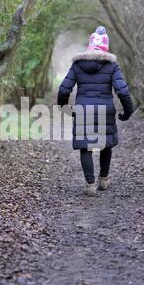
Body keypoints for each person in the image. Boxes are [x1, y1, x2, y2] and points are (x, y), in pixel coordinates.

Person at [57, 26, 134, 196]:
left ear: (90, 46)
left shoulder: (77, 65)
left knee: (86, 147)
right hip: (105, 110)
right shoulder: (111, 65)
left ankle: (90, 184)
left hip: (84, 110)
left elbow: (64, 89)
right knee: (105, 143)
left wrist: (64, 107)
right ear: (106, 47)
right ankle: (104, 179)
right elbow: (122, 91)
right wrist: (128, 111)